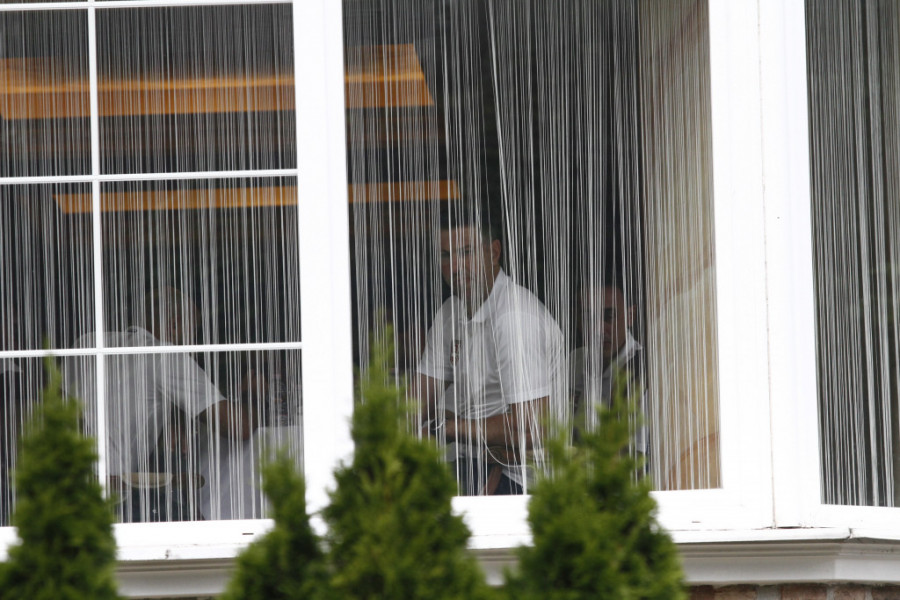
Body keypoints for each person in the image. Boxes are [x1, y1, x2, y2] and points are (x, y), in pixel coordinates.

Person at [67, 286, 259, 522]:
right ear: (175, 323)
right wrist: (252, 394)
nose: (193, 341)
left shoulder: (89, 342)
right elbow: (240, 427)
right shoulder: (166, 357)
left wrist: (170, 423)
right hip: (112, 491)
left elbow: (66, 409)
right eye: (194, 330)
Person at [415, 211, 564, 495]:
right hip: (471, 463)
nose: (455, 267)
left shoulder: (515, 319)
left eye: (466, 252)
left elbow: (532, 427)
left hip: (523, 480)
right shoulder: (450, 313)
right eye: (446, 256)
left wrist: (447, 428)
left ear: (494, 253)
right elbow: (417, 400)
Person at [568, 278, 648, 464]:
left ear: (630, 316)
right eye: (589, 318)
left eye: (609, 317)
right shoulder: (575, 360)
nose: (598, 329)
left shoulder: (642, 372)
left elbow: (636, 460)